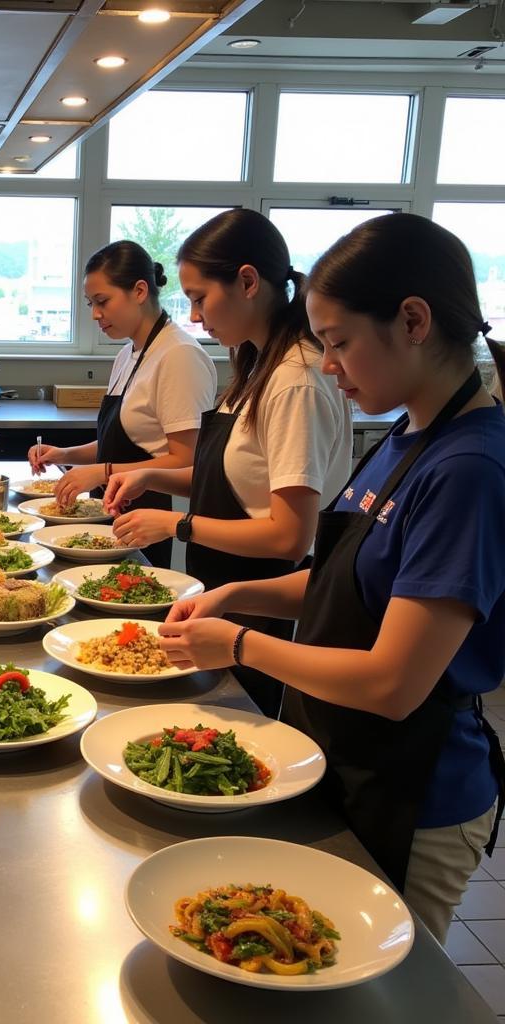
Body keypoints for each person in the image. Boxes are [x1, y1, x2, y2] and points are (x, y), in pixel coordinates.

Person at [158, 213, 505, 942]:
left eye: (340, 342)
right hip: (346, 759)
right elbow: (345, 578)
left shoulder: (468, 468)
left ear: (413, 321)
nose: (327, 364)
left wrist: (241, 646)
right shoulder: (409, 433)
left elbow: (392, 681)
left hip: (414, 792)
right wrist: (235, 594)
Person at [104, 210, 351, 717]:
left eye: (199, 298)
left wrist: (177, 522)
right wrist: (150, 474)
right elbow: (238, 477)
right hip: (226, 592)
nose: (194, 316)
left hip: (267, 606)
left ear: (247, 281)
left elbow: (289, 536)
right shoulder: (257, 365)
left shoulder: (295, 380)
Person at [27, 240, 216, 568]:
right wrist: (66, 456)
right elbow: (128, 442)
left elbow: (187, 460)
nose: (95, 314)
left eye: (102, 301)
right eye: (90, 303)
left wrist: (103, 471)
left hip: (148, 521)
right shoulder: (128, 353)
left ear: (140, 291)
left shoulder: (179, 356)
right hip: (112, 515)